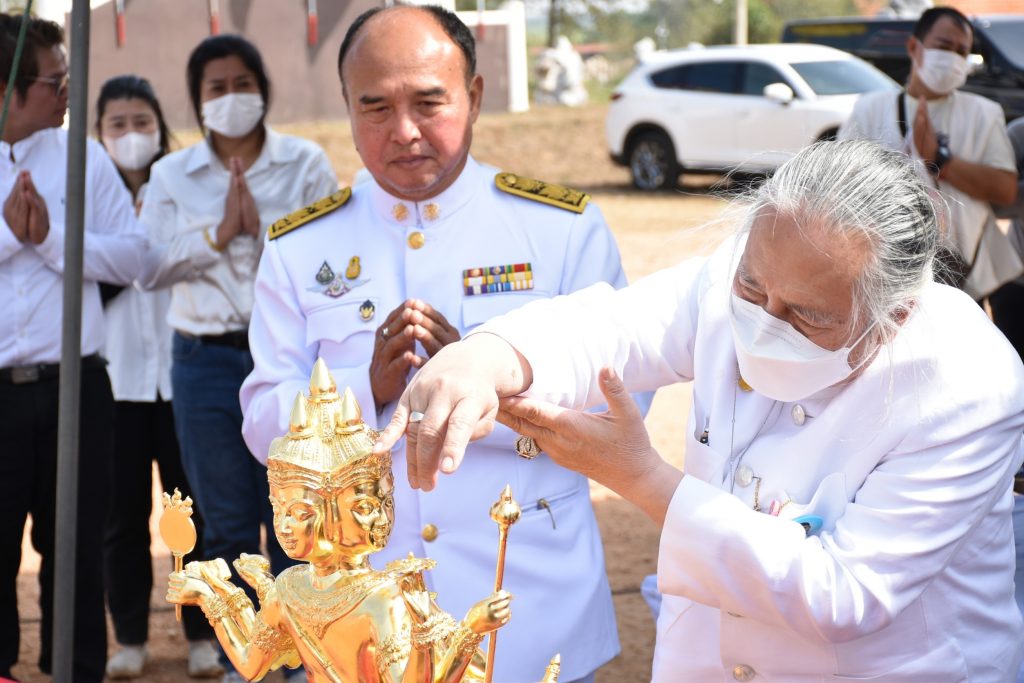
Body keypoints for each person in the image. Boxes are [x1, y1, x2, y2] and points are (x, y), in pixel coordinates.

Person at [378, 140, 1024, 682]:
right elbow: (611, 327)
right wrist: (489, 355)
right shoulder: (737, 276)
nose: (763, 322)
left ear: (896, 314)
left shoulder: (968, 383)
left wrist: (644, 480)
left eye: (807, 315)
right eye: (752, 287)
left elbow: (845, 591)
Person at [239, 6, 628, 682]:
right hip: (366, 628)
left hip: (527, 605)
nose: (405, 131)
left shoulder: (559, 230)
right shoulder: (301, 248)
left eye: (428, 102)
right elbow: (262, 423)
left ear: (473, 97)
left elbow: (624, 406)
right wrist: (367, 391)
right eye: (376, 107)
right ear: (346, 107)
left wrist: (492, 382)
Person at [137, 34, 337, 683]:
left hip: (286, 361)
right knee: (223, 520)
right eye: (215, 88)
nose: (230, 98)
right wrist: (218, 234)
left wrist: (269, 233)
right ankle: (241, 657)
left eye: (241, 84)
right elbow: (149, 265)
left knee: (295, 523)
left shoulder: (304, 163)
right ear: (197, 101)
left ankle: (305, 657)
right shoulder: (172, 175)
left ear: (264, 89)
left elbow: (331, 252)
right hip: (204, 361)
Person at [169, 364, 532, 682]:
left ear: (340, 512)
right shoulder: (289, 587)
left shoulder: (379, 598)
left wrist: (468, 628)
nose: (284, 526)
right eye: (280, 510)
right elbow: (250, 664)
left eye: (301, 514)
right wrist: (208, 595)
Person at [0, 13, 144, 683]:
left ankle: (76, 672)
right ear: (6, 90)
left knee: (79, 550)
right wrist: (12, 236)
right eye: (53, 82)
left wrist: (52, 240)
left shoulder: (82, 158)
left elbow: (136, 256)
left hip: (76, 389)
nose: (67, 93)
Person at [96, 75, 222, 680]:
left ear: (161, 128)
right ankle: (128, 638)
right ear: (98, 134)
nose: (130, 136)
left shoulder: (183, 189)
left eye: (141, 123)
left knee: (187, 515)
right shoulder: (89, 195)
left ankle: (201, 633)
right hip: (116, 381)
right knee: (120, 518)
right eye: (116, 124)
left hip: (181, 379)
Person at [838, 7, 1020, 304]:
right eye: (944, 47)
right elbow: (843, 187)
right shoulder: (870, 109)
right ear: (914, 47)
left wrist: (939, 159)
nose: (952, 58)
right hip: (884, 273)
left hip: (962, 275)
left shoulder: (983, 114)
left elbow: (1005, 190)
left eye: (961, 51)